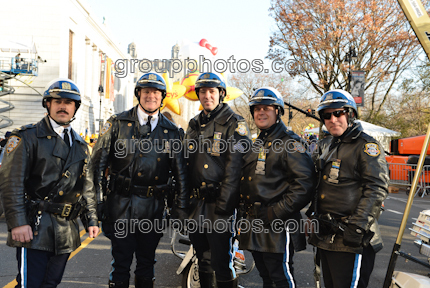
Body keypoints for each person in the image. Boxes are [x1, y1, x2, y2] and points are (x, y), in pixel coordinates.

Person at [89, 72, 188, 288]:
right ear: (138, 94)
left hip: (153, 209)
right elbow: (96, 168)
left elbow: (181, 175)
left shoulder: (172, 132)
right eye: (146, 91)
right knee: (121, 264)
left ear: (162, 97)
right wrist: (97, 204)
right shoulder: (117, 123)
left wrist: (179, 210)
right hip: (120, 206)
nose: (150, 96)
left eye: (155, 92)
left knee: (147, 263)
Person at [0, 78, 99, 287]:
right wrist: (17, 222)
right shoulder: (26, 137)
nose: (63, 106)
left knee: (50, 284)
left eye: (68, 102)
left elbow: (86, 187)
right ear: (48, 104)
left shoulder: (81, 145)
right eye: (57, 101)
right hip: (34, 226)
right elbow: (11, 183)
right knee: (30, 284)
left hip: (65, 229)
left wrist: (91, 220)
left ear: (75, 108)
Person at [307, 89, 389, 288]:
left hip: (352, 238)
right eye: (327, 115)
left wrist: (357, 227)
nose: (333, 119)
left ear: (351, 114)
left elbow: (376, 187)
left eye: (339, 113)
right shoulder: (326, 145)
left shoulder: (366, 146)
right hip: (326, 234)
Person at [238, 87, 315, 288]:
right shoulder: (258, 142)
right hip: (254, 221)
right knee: (266, 277)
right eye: (257, 108)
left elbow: (304, 185)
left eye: (267, 108)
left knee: (281, 278)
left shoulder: (291, 143)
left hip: (278, 224)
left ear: (278, 111)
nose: (261, 112)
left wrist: (275, 212)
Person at [184, 72, 251, 288]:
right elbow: (186, 163)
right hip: (197, 204)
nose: (207, 96)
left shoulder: (235, 123)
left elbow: (237, 167)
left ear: (221, 94)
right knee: (202, 259)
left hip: (220, 203)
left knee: (221, 261)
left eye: (212, 91)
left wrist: (226, 203)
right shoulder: (194, 124)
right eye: (202, 92)